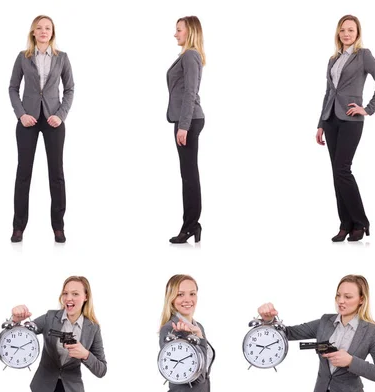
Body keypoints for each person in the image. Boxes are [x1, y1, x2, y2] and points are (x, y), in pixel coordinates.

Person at [315, 15, 375, 242]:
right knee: (336, 174)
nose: (347, 34)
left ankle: (360, 222)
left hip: (350, 119)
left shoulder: (363, 55)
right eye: (343, 30)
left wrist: (367, 108)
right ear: (338, 33)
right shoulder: (333, 59)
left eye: (351, 30)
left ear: (357, 33)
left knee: (342, 170)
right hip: (331, 119)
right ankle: (345, 223)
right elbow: (329, 92)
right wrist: (320, 124)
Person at [257, 274, 375, 392]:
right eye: (338, 295)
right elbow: (288, 333)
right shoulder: (325, 321)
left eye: (348, 296)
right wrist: (269, 320)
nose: (340, 301)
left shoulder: (371, 331)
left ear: (361, 299)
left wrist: (351, 361)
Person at [9, 15, 74, 244]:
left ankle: (58, 226)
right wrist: (21, 114)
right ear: (33, 33)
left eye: (47, 28)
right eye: (39, 28)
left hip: (53, 120)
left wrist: (60, 115)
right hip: (28, 120)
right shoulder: (23, 57)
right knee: (23, 174)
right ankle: (18, 227)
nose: (44, 31)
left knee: (56, 174)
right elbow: (13, 88)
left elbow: (70, 89)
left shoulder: (62, 58)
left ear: (52, 32)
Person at [11, 276, 106, 392]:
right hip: (43, 386)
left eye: (75, 294)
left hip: (71, 388)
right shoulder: (50, 317)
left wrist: (85, 355)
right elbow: (21, 334)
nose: (68, 298)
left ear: (86, 297)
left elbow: (102, 370)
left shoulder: (93, 328)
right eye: (65, 293)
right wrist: (15, 320)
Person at [166, 16, 206, 244]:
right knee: (188, 174)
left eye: (179, 30)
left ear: (189, 31)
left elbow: (191, 92)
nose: (175, 34)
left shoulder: (190, 55)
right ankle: (192, 225)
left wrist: (184, 126)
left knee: (189, 176)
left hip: (188, 121)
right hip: (185, 120)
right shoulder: (187, 55)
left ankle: (190, 225)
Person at [159, 274, 214, 391]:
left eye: (192, 294)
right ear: (171, 298)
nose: (188, 299)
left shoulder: (198, 326)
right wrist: (200, 338)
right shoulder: (170, 329)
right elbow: (197, 378)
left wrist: (199, 335)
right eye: (180, 294)